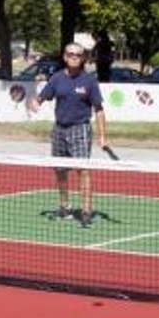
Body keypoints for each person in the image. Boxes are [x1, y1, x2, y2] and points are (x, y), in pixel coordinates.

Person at [28, 43, 109, 226]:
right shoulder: (56, 79)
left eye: (78, 55)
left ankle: (86, 211)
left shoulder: (89, 81)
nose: (74, 57)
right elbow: (42, 96)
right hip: (59, 129)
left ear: (83, 59)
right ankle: (64, 206)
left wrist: (103, 136)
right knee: (60, 170)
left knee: (83, 170)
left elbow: (99, 110)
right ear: (65, 57)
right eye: (70, 54)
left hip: (80, 129)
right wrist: (36, 102)